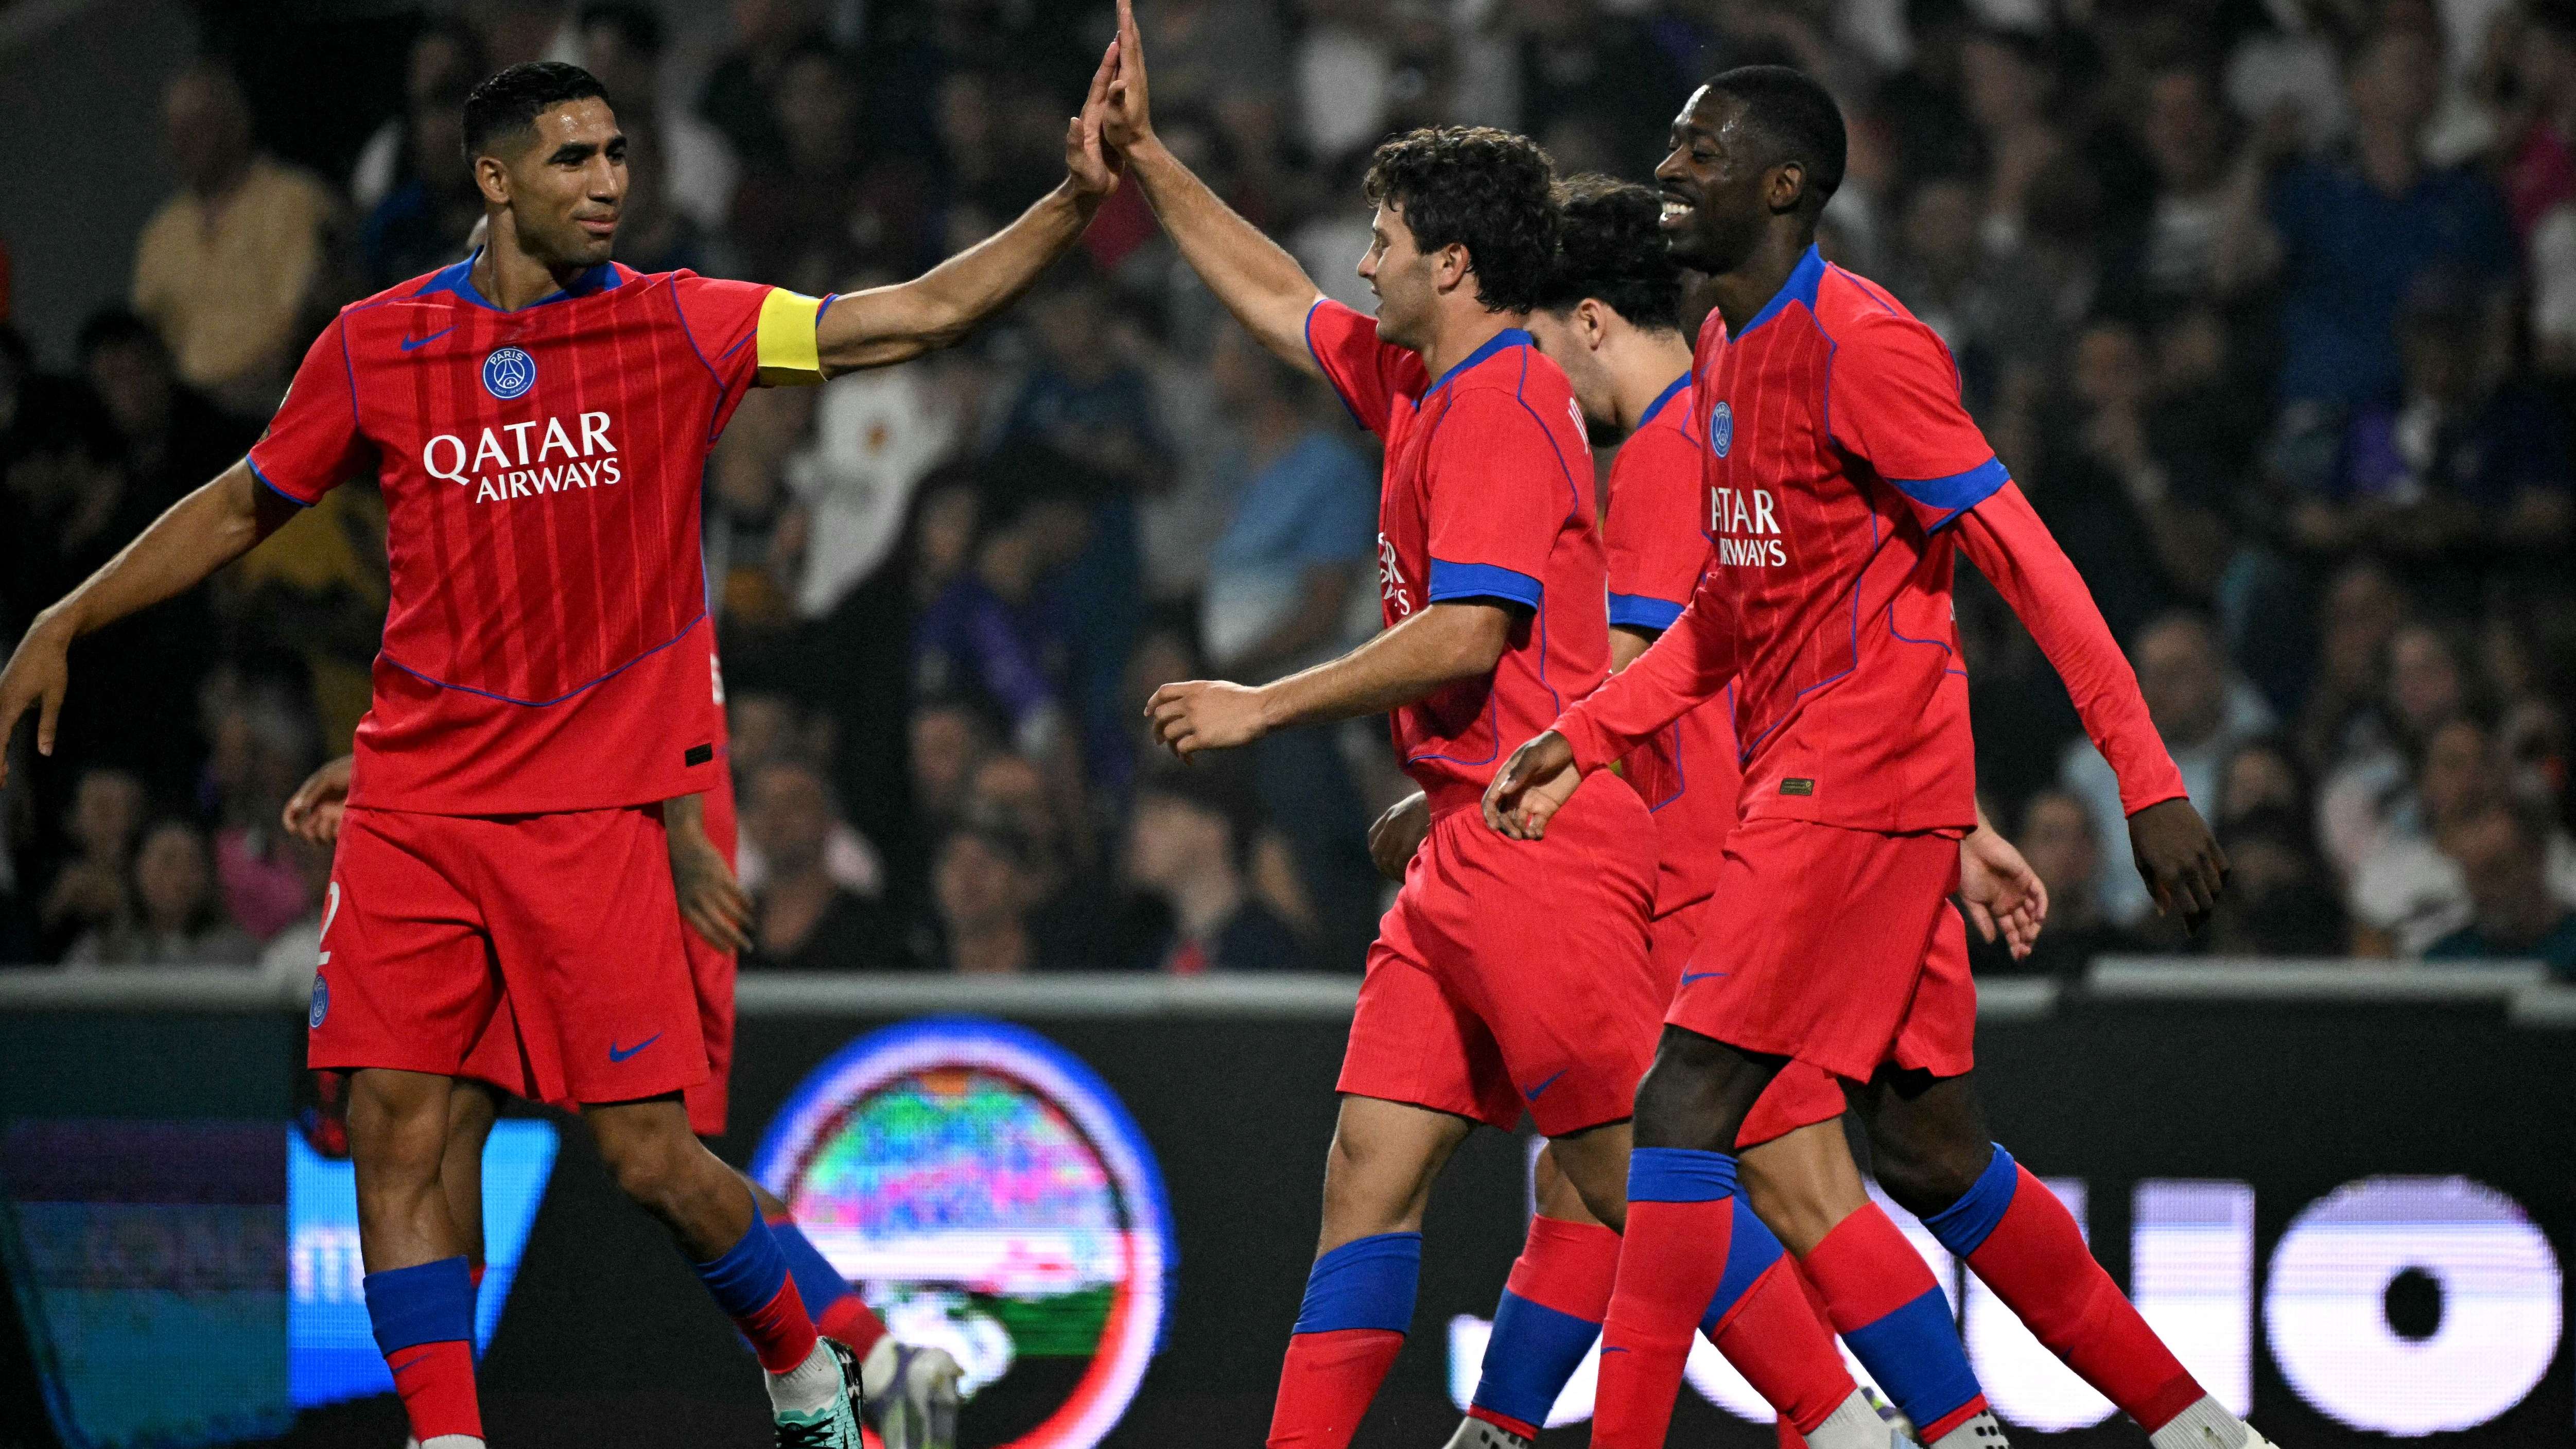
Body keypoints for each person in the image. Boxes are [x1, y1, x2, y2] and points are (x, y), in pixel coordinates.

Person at [0, 54, 1123, 1449]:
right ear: (494, 178)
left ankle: (813, 1359)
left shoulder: (680, 324)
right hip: (417, 805)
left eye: (617, 157)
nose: (609, 185)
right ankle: (449, 1435)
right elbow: (241, 505)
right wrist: (66, 611)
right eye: (575, 160)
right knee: (396, 1121)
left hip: (594, 815)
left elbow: (908, 315)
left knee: (650, 1156)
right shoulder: (374, 341)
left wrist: (1069, 202)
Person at [1094, 11, 1886, 1449]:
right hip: (1461, 843)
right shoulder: (1418, 378)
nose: (1360, 260)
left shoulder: (1512, 406)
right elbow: (1273, 296)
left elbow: (1471, 631)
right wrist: (1147, 164)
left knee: (1630, 1172)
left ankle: (1842, 1417)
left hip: (1542, 849)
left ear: (1449, 262)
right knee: (1367, 1171)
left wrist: (1260, 702)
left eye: (1382, 236)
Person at [1482, 66, 2273, 1449]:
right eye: (1671, 140)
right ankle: (2197, 1423)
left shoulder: (1862, 343)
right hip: (1864, 788)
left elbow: (2023, 561)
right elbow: (1730, 618)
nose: (1667, 167)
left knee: (1678, 1101)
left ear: (1782, 186)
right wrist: (1581, 734)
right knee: (1928, 1149)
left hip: (1844, 781)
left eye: (1698, 147)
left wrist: (2144, 778)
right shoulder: (1727, 349)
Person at [1411, 173, 2046, 1449]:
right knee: (1604, 1173)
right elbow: (1824, 635)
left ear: (1585, 321)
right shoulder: (1713, 426)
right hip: (1752, 829)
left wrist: (1516, 761)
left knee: (1782, 1177)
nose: (1535, 386)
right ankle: (1504, 1430)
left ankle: (1903, 1422)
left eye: (1534, 344)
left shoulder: (1657, 462)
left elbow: (1651, 673)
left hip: (1692, 859)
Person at [282, 741, 965, 1448]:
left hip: (615, 819)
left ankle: (843, 1365)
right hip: (491, 805)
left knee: (655, 1153)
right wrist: (393, 755)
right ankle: (445, 1430)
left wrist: (688, 829)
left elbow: (653, 671)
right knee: (445, 1110)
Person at [128, 60, 339, 412]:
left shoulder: (294, 199)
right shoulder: (161, 233)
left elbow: (303, 324)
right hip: (188, 416)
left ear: (237, 123)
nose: (183, 141)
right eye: (175, 130)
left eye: (197, 126)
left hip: (277, 399)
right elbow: (148, 340)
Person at [1124, 769, 1304, 973]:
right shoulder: (1143, 950)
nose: (1139, 833)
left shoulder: (1273, 954)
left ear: (1214, 828)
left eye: (1160, 816)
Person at [63, 816, 257, 967]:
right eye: (168, 861)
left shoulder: (236, 954)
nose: (181, 875)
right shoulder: (101, 950)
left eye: (193, 864)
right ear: (136, 869)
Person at [2426, 794, 2576, 977]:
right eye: (2475, 874)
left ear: (2538, 858)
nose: (2488, 890)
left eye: (2499, 870)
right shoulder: (2445, 962)